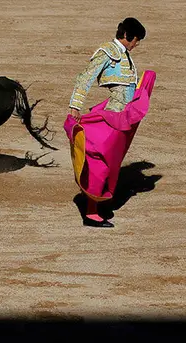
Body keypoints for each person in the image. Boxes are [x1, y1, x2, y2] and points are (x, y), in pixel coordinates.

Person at [66, 18, 151, 228]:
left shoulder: (123, 55)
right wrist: (75, 106)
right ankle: (91, 213)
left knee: (111, 163)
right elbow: (85, 78)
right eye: (136, 40)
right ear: (128, 36)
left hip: (123, 116)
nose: (136, 44)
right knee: (100, 163)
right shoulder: (107, 52)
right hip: (113, 115)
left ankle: (100, 203)